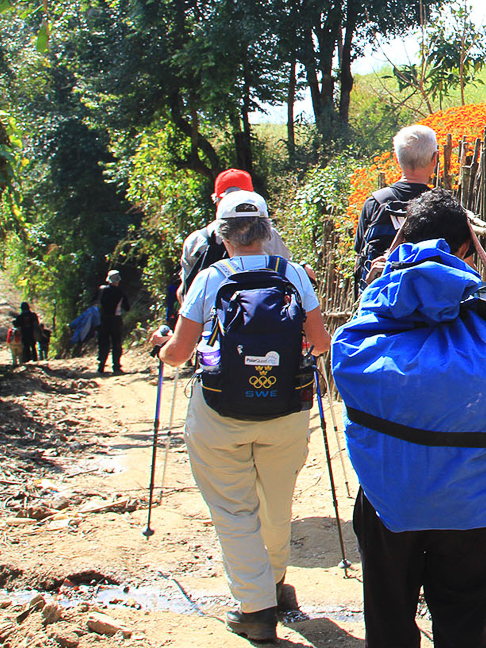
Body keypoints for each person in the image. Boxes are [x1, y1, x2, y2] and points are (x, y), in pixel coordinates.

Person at [333, 189, 486, 648]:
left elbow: (349, 369)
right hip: (475, 504)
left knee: (389, 618)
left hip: (388, 497)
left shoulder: (380, 303)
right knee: (465, 619)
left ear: (402, 242)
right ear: (465, 252)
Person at [151, 190, 329, 644]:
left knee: (234, 509)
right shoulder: (294, 276)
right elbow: (321, 344)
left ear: (222, 235)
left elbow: (178, 354)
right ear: (268, 231)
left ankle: (255, 609)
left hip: (219, 412)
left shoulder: (210, 279)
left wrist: (161, 343)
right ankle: (274, 584)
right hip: (287, 411)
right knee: (277, 502)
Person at [178, 169, 296, 299]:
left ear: (217, 201)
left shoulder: (195, 241)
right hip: (264, 314)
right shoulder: (268, 235)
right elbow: (288, 277)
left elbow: (184, 294)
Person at [353, 124, 438, 293]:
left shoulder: (375, 203)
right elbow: (465, 263)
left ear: (396, 158)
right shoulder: (445, 207)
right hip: (433, 306)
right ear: (435, 158)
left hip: (382, 302)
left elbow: (360, 254)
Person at [96, 271, 128, 375]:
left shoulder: (101, 290)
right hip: (116, 320)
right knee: (116, 343)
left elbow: (93, 302)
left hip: (103, 320)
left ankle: (101, 365)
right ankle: (116, 366)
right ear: (118, 280)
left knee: (103, 342)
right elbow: (126, 308)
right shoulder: (121, 292)